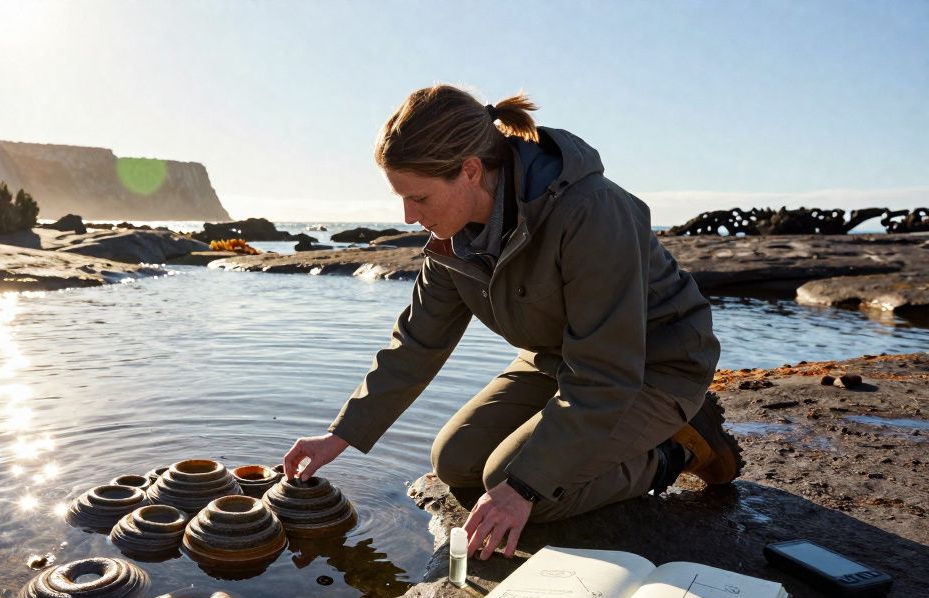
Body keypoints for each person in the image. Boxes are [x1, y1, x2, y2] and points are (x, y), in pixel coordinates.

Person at [282, 85, 742, 561]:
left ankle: (678, 449)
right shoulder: (451, 240)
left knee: (527, 489)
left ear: (470, 171)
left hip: (654, 366)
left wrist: (523, 488)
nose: (408, 216)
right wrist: (340, 434)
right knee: (454, 462)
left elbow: (606, 370)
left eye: (418, 197)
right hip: (559, 359)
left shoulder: (591, 211)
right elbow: (417, 344)